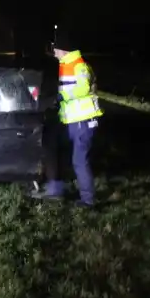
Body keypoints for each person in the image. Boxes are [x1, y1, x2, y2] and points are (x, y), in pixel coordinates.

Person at [33, 45, 102, 207]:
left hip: (82, 122)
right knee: (52, 145)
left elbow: (82, 89)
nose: (53, 52)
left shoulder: (78, 65)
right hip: (72, 122)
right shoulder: (65, 65)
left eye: (56, 48)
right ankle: (56, 188)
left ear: (64, 49)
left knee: (79, 161)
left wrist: (59, 95)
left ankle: (88, 200)